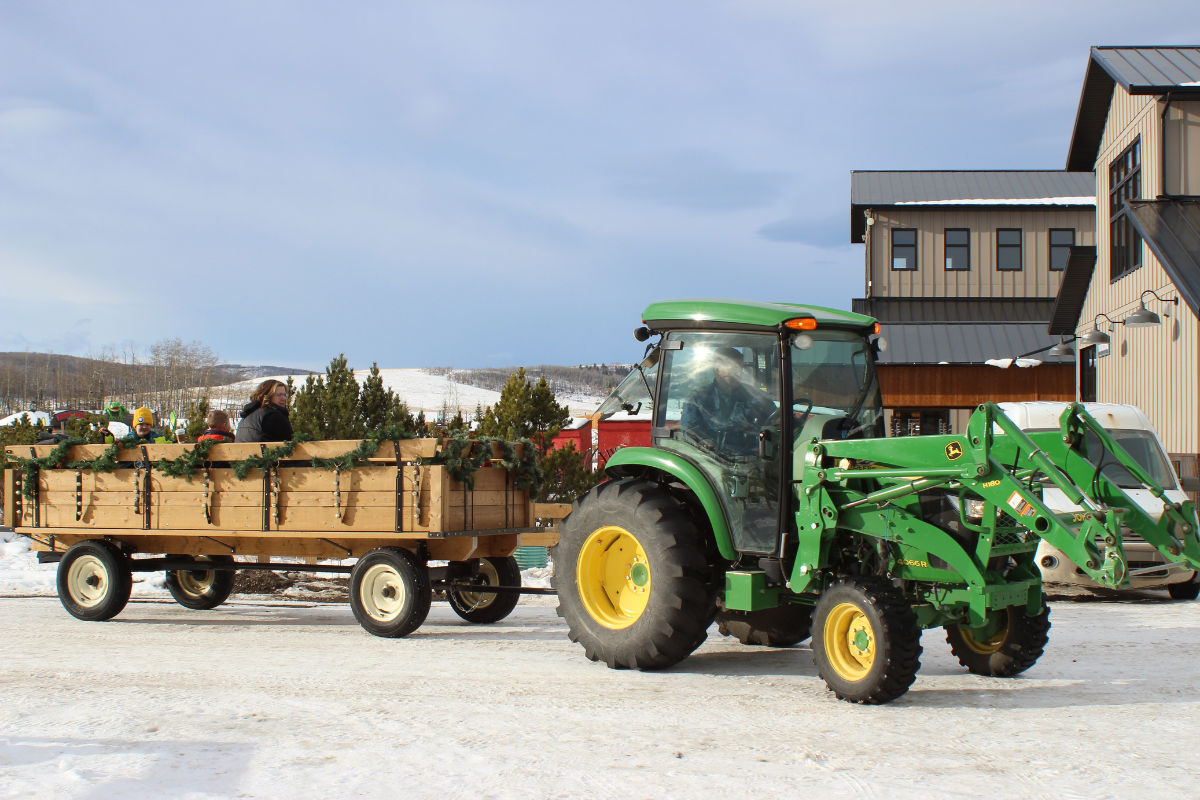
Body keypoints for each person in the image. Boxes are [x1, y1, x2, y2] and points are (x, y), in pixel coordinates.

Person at [679, 346, 776, 456]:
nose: (740, 374)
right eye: (734, 369)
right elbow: (689, 426)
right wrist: (704, 440)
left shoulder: (755, 396)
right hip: (712, 459)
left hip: (752, 459)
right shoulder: (698, 397)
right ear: (717, 369)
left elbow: (776, 418)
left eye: (741, 369)